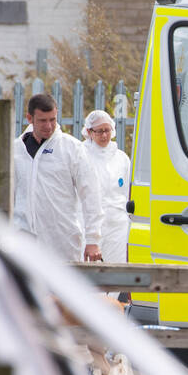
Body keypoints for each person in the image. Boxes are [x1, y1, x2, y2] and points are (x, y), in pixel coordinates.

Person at [12, 93, 103, 262]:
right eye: (42, 120)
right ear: (29, 118)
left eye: (52, 119)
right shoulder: (16, 150)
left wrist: (93, 240)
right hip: (23, 241)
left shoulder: (71, 148)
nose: (49, 126)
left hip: (62, 241)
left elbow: (91, 195)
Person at [81, 109, 131, 264]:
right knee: (90, 271)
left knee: (116, 268)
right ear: (89, 132)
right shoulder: (82, 155)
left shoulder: (121, 158)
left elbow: (127, 191)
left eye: (107, 130)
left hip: (118, 224)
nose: (104, 135)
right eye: (99, 131)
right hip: (90, 223)